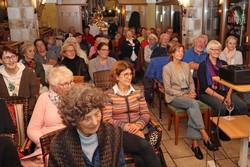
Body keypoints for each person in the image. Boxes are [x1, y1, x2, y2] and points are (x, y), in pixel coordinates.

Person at [163, 43, 218, 160]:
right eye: (178, 51)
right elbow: (168, 89)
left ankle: (195, 144)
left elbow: (192, 82)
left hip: (188, 96)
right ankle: (205, 135)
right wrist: (185, 94)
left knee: (192, 107)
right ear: (172, 53)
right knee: (194, 104)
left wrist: (192, 92)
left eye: (182, 51)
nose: (181, 53)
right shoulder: (167, 68)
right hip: (174, 97)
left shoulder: (186, 65)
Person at [49, 83, 126, 167]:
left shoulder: (113, 133)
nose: (95, 122)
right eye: (87, 118)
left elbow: (121, 165)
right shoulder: (59, 145)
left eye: (97, 114)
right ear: (74, 120)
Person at [102, 61, 162, 167]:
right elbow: (107, 119)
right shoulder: (108, 95)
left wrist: (138, 125)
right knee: (145, 146)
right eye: (125, 74)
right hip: (119, 132)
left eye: (130, 74)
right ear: (116, 77)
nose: (129, 77)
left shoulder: (138, 91)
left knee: (141, 155)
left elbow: (145, 113)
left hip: (139, 128)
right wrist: (128, 127)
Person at [23, 66, 74, 166]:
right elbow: (32, 129)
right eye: (65, 84)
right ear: (54, 86)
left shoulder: (78, 98)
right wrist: (43, 144)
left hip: (72, 144)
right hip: (47, 144)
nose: (69, 86)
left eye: (71, 82)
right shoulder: (44, 98)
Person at [198, 40, 248, 118]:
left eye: (218, 49)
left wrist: (228, 95)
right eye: (213, 49)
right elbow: (205, 88)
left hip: (226, 93)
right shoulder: (203, 65)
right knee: (222, 107)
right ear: (208, 50)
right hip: (207, 94)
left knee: (242, 105)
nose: (216, 51)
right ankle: (215, 129)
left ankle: (237, 127)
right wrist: (222, 98)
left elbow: (231, 82)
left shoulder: (224, 64)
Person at [0, 46, 39, 113]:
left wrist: (27, 112)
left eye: (13, 56)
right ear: (1, 60)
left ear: (17, 58)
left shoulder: (29, 73)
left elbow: (34, 97)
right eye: (7, 58)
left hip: (27, 113)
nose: (11, 60)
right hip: (4, 115)